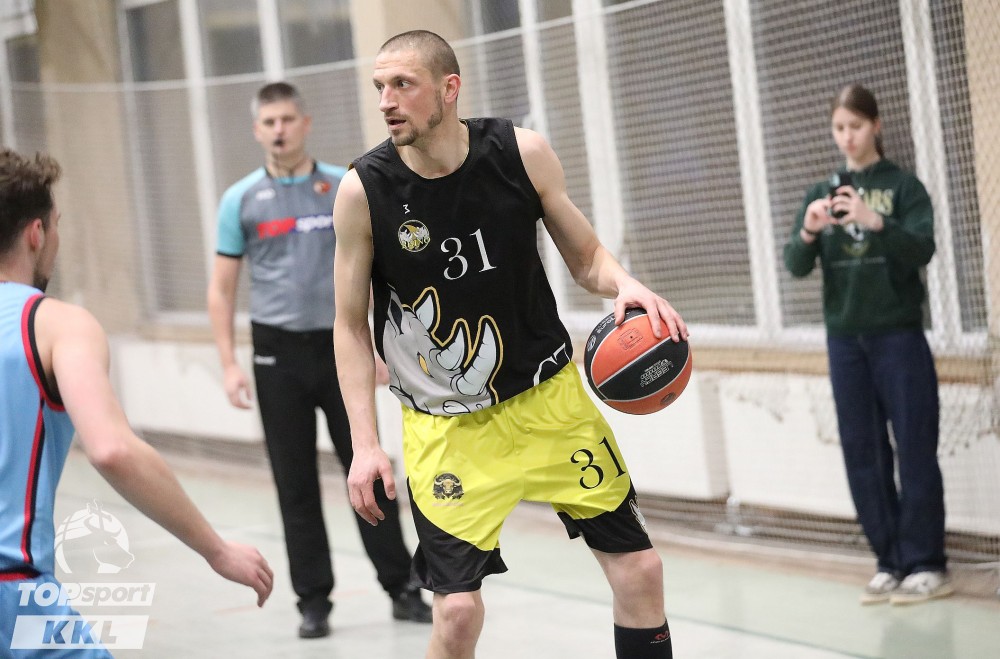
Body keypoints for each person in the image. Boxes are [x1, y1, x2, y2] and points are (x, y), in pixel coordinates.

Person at [333, 30, 686, 659]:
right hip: (448, 428)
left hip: (551, 404)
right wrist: (365, 444)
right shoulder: (365, 190)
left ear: (449, 88)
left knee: (642, 571)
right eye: (380, 86)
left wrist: (625, 284)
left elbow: (587, 258)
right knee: (457, 615)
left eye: (403, 84)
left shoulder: (520, 153)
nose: (386, 100)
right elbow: (350, 325)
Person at [0, 148, 274, 656]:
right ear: (36, 233)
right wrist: (216, 549)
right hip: (12, 595)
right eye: (57, 225)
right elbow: (112, 449)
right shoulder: (55, 324)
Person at [207, 81, 431, 639]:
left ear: (305, 124)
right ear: (257, 130)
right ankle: (313, 601)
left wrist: (380, 346)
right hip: (276, 353)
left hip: (339, 349)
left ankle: (402, 587)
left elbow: (374, 272)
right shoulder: (240, 200)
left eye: (288, 119)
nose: (279, 130)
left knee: (369, 467)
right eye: (269, 122)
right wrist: (229, 364)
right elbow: (221, 289)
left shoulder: (342, 185)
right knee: (295, 483)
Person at [784, 83, 951, 606]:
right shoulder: (822, 191)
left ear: (876, 126)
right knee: (863, 450)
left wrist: (874, 220)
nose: (847, 137)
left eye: (855, 126)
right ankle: (889, 561)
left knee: (915, 446)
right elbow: (795, 265)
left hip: (898, 336)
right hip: (845, 342)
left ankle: (927, 563)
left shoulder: (904, 187)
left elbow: (922, 248)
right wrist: (809, 231)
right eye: (839, 128)